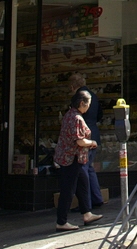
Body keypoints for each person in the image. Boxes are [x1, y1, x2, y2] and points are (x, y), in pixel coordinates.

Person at [54, 89, 102, 232]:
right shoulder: (76, 118)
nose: (89, 107)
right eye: (88, 104)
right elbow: (80, 141)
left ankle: (87, 213)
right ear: (82, 103)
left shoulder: (69, 115)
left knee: (83, 184)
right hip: (72, 158)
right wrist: (92, 142)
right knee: (68, 190)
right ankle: (61, 222)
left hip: (75, 158)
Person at [70, 72, 105, 209]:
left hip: (84, 135)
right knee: (88, 168)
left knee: (83, 169)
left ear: (73, 85)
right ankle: (96, 198)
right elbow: (100, 114)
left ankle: (86, 203)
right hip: (94, 132)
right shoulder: (94, 95)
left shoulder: (79, 96)